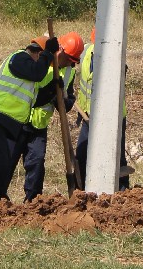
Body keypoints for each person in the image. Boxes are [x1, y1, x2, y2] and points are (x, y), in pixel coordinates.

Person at [0, 35, 60, 207]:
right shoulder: (19, 58)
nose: (44, 65)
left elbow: (35, 101)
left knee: (3, 167)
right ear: (36, 53)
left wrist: (52, 89)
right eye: (43, 59)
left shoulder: (28, 76)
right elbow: (37, 73)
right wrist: (49, 52)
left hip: (3, 123)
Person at [11, 30, 84, 201]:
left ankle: (33, 202)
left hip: (39, 126)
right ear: (61, 51)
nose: (70, 64)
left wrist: (63, 100)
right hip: (18, 120)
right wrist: (49, 90)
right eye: (69, 59)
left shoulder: (68, 72)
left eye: (74, 62)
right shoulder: (38, 57)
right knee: (8, 162)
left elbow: (67, 101)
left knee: (36, 164)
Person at [75, 28, 130, 191]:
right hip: (88, 115)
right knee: (83, 154)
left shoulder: (115, 59)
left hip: (112, 117)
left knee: (115, 156)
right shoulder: (86, 52)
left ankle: (123, 192)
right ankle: (83, 191)